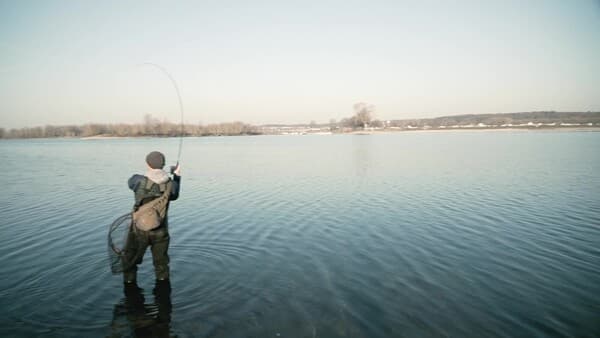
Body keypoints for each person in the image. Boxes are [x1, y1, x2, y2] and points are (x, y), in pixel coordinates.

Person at [123, 151, 181, 284]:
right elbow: (175, 195)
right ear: (163, 165)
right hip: (160, 230)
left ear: (147, 163)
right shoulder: (171, 184)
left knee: (130, 260)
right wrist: (176, 175)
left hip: (138, 230)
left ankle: (130, 286)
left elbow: (130, 184)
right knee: (161, 264)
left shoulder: (137, 180)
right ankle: (162, 291)